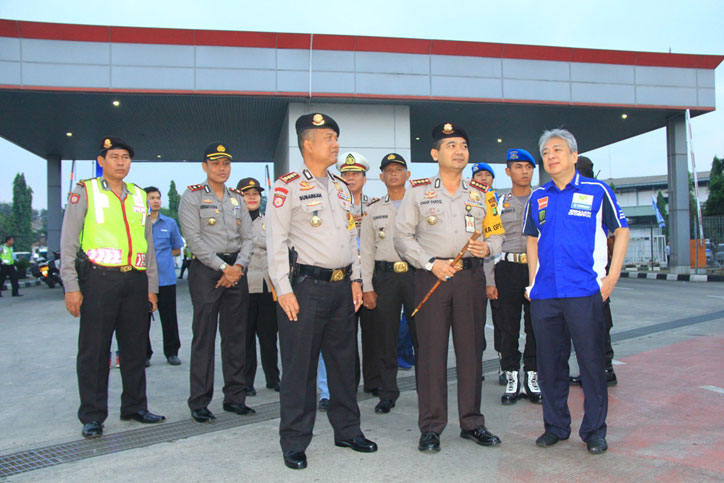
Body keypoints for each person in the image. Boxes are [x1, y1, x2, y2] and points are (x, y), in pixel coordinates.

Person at [267, 112, 377, 470]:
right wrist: (283, 289)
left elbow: (351, 237)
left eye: (336, 138)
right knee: (299, 369)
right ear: (307, 144)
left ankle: (348, 430)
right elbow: (276, 242)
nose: (335, 144)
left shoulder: (341, 187)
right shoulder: (286, 187)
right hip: (305, 289)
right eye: (328, 138)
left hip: (342, 288)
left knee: (345, 364)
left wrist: (356, 280)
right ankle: (294, 441)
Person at [395, 122, 505, 453]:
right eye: (451, 145)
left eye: (463, 146)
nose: (459, 151)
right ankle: (431, 427)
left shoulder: (482, 193)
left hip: (470, 279)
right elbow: (402, 237)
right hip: (432, 278)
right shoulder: (418, 192)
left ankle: (472, 422)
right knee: (431, 353)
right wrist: (430, 263)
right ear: (435, 153)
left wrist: (489, 248)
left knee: (471, 351)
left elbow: (496, 233)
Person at [523, 129, 630, 455]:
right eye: (546, 152)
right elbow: (531, 239)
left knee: (591, 364)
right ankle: (555, 427)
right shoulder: (538, 197)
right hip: (546, 296)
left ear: (573, 155)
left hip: (584, 292)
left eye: (557, 150)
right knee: (550, 365)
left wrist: (612, 276)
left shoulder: (596, 191)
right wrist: (532, 282)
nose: (551, 156)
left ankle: (594, 431)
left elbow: (621, 230)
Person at [60, 136, 165, 439]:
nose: (121, 162)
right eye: (114, 157)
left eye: (126, 157)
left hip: (135, 280)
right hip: (98, 280)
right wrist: (71, 285)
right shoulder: (86, 191)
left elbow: (147, 245)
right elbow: (68, 241)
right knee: (94, 350)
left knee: (135, 348)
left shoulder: (139, 195)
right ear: (101, 161)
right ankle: (93, 415)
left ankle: (134, 406)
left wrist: (151, 287)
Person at [178, 142, 255, 424]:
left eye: (226, 163)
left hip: (236, 270)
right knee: (204, 337)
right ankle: (199, 401)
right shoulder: (192, 196)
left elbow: (249, 237)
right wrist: (224, 268)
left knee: (236, 337)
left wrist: (238, 266)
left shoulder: (237, 198)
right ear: (205, 166)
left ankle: (235, 398)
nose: (222, 169)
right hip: (207, 272)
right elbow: (193, 240)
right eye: (215, 164)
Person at [484, 149, 542, 405]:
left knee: (536, 326)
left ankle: (532, 376)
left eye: (528, 167)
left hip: (536, 270)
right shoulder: (497, 203)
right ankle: (511, 377)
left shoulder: (543, 200)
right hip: (506, 269)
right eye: (518, 167)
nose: (524, 171)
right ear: (508, 172)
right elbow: (489, 240)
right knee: (507, 327)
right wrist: (489, 280)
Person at [360, 152, 415, 414]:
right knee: (385, 337)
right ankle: (387, 392)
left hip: (416, 275)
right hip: (385, 277)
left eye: (398, 170)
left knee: (423, 335)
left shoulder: (420, 204)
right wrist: (367, 287)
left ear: (408, 175)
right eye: (388, 171)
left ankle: (427, 390)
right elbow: (367, 251)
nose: (393, 174)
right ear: (381, 177)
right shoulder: (373, 210)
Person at [568, 156, 617, 386]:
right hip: (592, 268)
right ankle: (602, 368)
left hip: (591, 268)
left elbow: (617, 231)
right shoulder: (596, 191)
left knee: (592, 321)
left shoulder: (595, 192)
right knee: (596, 320)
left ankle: (602, 369)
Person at [336, 151, 381, 395]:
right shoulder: (333, 206)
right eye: (345, 174)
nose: (350, 178)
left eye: (355, 174)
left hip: (369, 277)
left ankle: (374, 382)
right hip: (344, 279)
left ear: (364, 178)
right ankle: (348, 384)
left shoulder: (375, 206)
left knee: (374, 333)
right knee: (345, 335)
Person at [237, 176, 280, 396]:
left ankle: (273, 378)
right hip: (244, 285)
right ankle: (246, 381)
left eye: (255, 194)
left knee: (269, 336)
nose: (252, 197)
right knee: (245, 338)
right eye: (247, 194)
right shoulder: (234, 222)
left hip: (266, 286)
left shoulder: (268, 221)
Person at [144, 186, 184, 366]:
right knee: (142, 320)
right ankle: (144, 354)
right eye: (151, 198)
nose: (156, 201)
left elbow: (176, 249)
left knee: (169, 318)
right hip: (144, 280)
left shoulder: (170, 223)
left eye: (158, 198)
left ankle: (172, 352)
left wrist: (162, 258)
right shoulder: (138, 223)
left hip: (166, 279)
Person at [471, 162, 503, 384]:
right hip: (476, 271)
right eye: (479, 175)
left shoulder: (500, 202)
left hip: (501, 269)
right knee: (475, 323)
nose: (483, 178)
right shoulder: (468, 201)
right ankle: (476, 365)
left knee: (502, 322)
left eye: (487, 175)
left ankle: (504, 365)